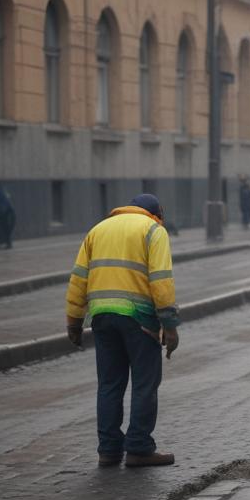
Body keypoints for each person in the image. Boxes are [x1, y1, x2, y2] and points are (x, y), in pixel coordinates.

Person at [65, 193, 180, 468]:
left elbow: (79, 279)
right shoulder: (154, 230)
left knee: (109, 385)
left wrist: (73, 321)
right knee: (144, 384)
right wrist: (170, 325)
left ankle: (109, 450)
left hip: (102, 317)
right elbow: (161, 281)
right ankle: (139, 448)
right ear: (156, 214)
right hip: (138, 318)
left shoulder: (98, 229)